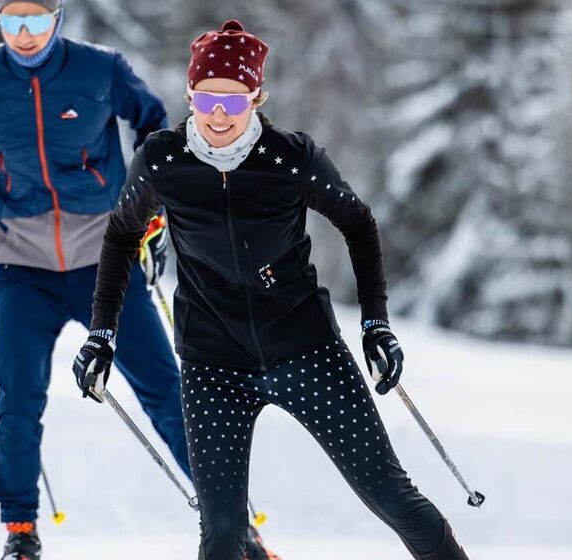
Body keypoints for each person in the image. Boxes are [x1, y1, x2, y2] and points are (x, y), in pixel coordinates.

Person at [73, 19, 470, 560]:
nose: (218, 115)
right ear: (190, 93)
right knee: (222, 530)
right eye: (208, 98)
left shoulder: (291, 158)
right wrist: (102, 334)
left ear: (257, 98)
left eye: (234, 104)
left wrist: (375, 323)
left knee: (391, 497)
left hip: (307, 350)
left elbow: (358, 223)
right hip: (214, 364)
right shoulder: (163, 162)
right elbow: (121, 235)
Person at [0, 3, 279, 559]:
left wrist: (152, 202)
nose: (26, 35)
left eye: (36, 20)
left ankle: (235, 527)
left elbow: (155, 124)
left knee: (165, 392)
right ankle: (20, 535)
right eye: (13, 22)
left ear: (58, 17)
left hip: (107, 261)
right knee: (17, 398)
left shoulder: (100, 69)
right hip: (21, 268)